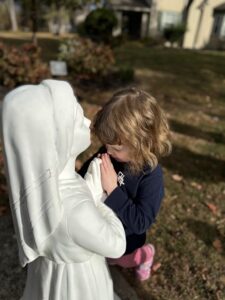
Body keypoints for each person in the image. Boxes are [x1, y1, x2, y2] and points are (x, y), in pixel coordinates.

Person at [1, 79, 126, 300]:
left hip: (50, 274)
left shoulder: (44, 187)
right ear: (57, 139)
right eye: (78, 120)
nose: (88, 121)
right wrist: (98, 201)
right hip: (77, 285)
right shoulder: (74, 209)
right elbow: (117, 245)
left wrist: (88, 190)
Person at [79, 87, 172, 281]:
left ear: (141, 143)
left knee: (118, 259)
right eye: (106, 145)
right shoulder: (110, 151)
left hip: (126, 238)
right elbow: (86, 174)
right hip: (102, 224)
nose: (108, 151)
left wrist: (113, 189)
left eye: (115, 148)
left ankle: (144, 255)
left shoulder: (151, 176)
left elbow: (141, 222)